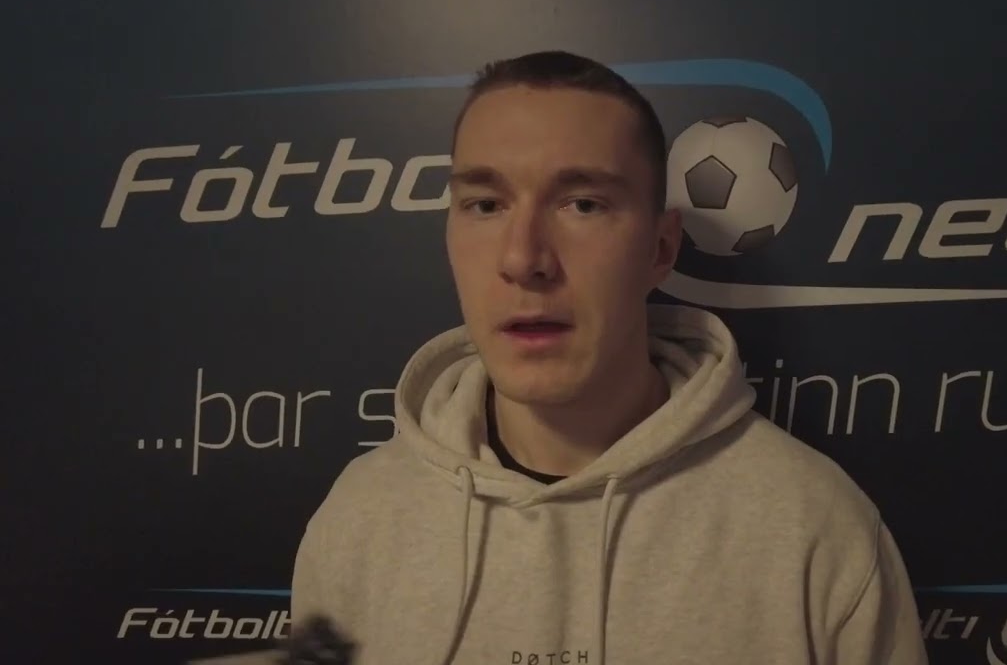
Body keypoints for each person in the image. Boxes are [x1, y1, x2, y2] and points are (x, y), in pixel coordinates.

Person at [290, 50, 929, 665]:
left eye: (583, 204)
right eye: (485, 205)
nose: (523, 259)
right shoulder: (357, 524)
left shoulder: (816, 532)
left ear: (660, 249)